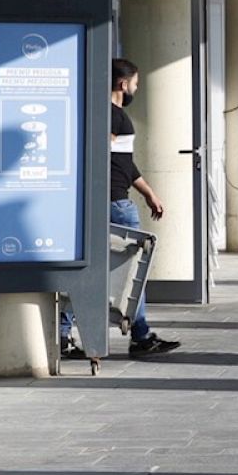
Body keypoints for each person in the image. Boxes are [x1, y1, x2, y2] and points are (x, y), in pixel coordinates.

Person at [61, 58, 181, 358]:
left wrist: (149, 192)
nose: (136, 89)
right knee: (132, 269)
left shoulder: (109, 114)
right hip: (116, 202)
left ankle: (64, 334)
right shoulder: (112, 115)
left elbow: (125, 163)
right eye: (136, 84)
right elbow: (100, 154)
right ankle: (140, 336)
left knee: (92, 267)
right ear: (122, 84)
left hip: (110, 197)